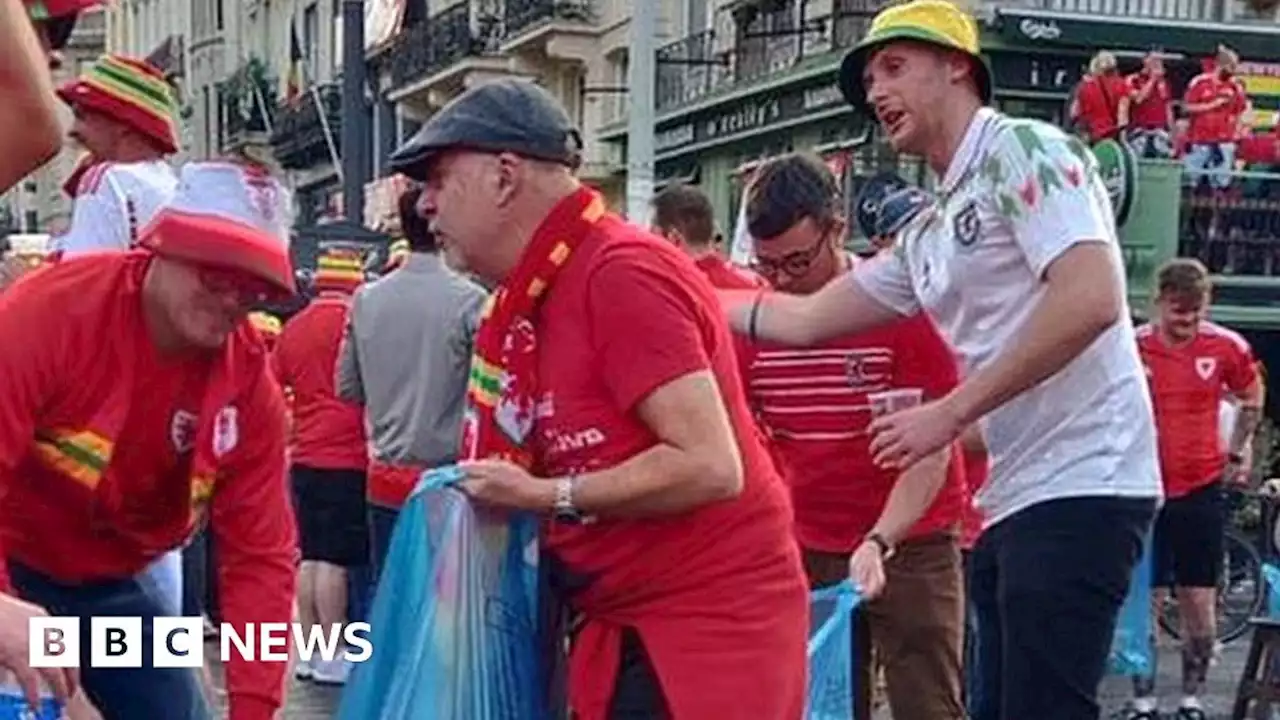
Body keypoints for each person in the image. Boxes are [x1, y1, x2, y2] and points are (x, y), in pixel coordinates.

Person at [722, 1, 1162, 717]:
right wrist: (674, 284)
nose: (876, 93)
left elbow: (1091, 298)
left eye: (893, 68)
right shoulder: (929, 228)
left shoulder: (1025, 149)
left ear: (958, 66)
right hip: (1015, 497)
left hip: (1086, 480)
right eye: (869, 79)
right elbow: (800, 322)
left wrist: (948, 415)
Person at [388, 77, 808, 719]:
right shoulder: (535, 295)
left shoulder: (619, 272)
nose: (424, 207)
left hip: (700, 635)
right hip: (623, 621)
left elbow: (708, 464)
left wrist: (543, 497)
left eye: (439, 179)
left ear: (505, 175)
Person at [0, 161, 300, 720]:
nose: (235, 298)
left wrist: (256, 709)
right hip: (11, 563)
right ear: (163, 244)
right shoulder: (48, 314)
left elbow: (260, 557)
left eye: (256, 287)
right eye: (218, 273)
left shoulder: (251, 388)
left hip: (112, 582)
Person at [741, 151, 967, 720]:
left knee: (928, 702)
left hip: (913, 536)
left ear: (836, 228)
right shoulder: (754, 321)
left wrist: (881, 540)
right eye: (767, 266)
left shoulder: (895, 305)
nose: (782, 280)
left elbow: (933, 446)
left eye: (797, 261)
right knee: (825, 704)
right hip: (813, 539)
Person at [1131, 258, 1263, 720]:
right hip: (1146, 489)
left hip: (1200, 488)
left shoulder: (1225, 347)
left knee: (1199, 603)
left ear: (1205, 306)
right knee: (1145, 600)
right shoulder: (1135, 348)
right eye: (1176, 311)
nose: (1184, 321)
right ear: (1159, 304)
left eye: (1193, 311)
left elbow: (1252, 396)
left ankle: (1191, 700)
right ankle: (1143, 700)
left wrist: (1236, 450)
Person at [337, 183, 486, 581]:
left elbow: (347, 387)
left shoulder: (366, 299)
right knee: (442, 610)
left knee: (389, 598)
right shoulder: (471, 300)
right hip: (450, 480)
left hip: (385, 478)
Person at [273, 245, 370, 686]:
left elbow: (276, 385)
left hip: (305, 454)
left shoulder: (294, 327)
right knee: (335, 559)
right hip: (347, 452)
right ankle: (335, 652)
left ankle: (312, 652)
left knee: (310, 556)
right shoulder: (356, 321)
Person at [51, 54, 180, 255]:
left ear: (124, 124)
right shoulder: (173, 188)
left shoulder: (109, 178)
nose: (72, 130)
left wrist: (24, 279)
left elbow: (81, 276)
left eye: (82, 116)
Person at [650, 184, 767, 291]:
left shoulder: (672, 292)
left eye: (653, 237)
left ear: (674, 238)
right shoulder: (754, 287)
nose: (649, 248)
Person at [1182, 46, 1249, 192]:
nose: (1233, 70)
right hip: (1199, 140)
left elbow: (1242, 111)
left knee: (1221, 183)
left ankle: (1218, 214)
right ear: (1221, 65)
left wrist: (1238, 131)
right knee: (1189, 180)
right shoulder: (1200, 82)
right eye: (1231, 67)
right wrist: (1212, 105)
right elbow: (1186, 107)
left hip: (1224, 141)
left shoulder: (1235, 86)